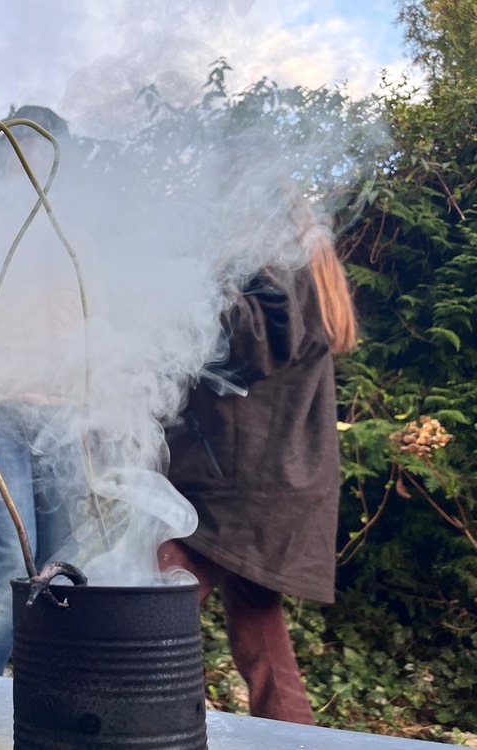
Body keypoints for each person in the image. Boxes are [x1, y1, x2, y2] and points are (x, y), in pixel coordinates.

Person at [160, 203, 358, 724]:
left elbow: (251, 344)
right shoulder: (304, 265)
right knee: (262, 638)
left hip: (240, 493)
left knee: (149, 603)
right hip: (273, 488)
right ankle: (295, 739)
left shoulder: (277, 263)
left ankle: (149, 729)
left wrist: (188, 281)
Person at [0, 106, 86, 675]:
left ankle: (49, 693)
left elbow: (95, 317)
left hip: (66, 415)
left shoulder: (78, 223)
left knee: (64, 563)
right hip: (0, 409)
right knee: (11, 556)